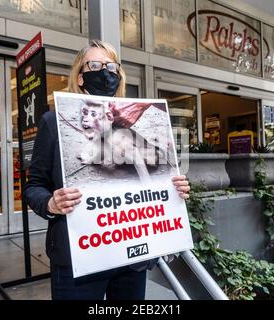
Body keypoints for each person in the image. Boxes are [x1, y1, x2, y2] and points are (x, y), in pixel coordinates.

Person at [24, 40, 191, 300]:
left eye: (111, 67)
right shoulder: (52, 123)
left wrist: (172, 189)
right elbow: (34, 186)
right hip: (79, 257)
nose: (105, 72)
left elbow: (150, 174)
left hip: (131, 256)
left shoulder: (133, 130)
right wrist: (49, 203)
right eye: (95, 65)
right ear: (80, 77)